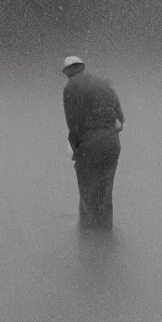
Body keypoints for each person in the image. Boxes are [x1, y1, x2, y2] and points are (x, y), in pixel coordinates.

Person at [61, 56, 125, 228]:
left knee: (87, 194)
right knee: (105, 195)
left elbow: (74, 123)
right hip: (112, 144)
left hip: (89, 146)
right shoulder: (105, 85)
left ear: (67, 72)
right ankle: (105, 237)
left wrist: (76, 149)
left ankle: (88, 241)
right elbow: (120, 117)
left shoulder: (71, 88)